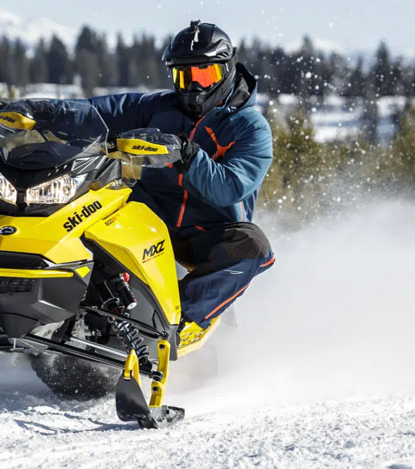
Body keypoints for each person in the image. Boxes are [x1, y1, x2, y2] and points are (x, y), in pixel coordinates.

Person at [87, 20, 275, 339]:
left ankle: (180, 321)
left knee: (253, 245)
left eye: (205, 75)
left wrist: (188, 155)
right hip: (150, 219)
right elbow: (92, 111)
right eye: (184, 76)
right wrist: (34, 113)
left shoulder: (250, 127)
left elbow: (228, 187)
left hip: (208, 235)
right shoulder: (159, 106)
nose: (195, 86)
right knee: (91, 213)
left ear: (227, 71)